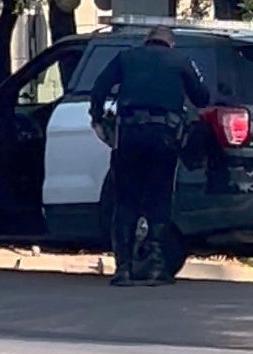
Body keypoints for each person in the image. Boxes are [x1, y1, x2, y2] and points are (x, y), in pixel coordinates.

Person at [89, 26, 211, 286]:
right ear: (171, 44)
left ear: (147, 41)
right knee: (159, 200)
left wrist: (97, 119)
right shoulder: (180, 61)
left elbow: (98, 88)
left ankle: (123, 269)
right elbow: (202, 98)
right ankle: (157, 268)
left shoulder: (126, 57)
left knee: (125, 201)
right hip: (164, 138)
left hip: (129, 136)